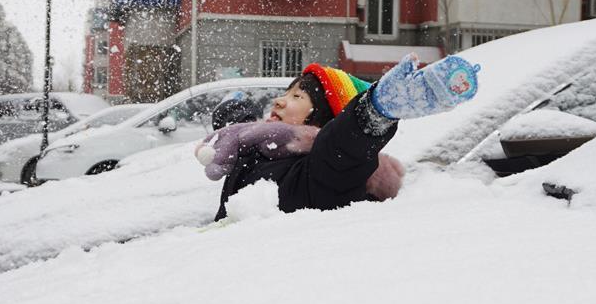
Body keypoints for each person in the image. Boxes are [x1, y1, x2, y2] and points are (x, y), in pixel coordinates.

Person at [195, 54, 480, 221]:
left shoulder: (322, 169)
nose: (279, 102)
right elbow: (239, 127)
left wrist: (375, 111)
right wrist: (235, 113)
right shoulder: (260, 145)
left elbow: (341, 145)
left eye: (297, 96)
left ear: (324, 116)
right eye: (284, 93)